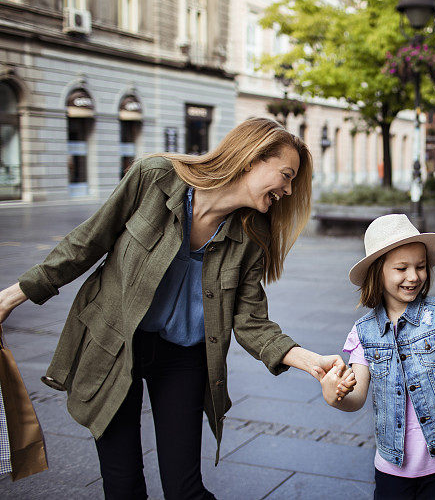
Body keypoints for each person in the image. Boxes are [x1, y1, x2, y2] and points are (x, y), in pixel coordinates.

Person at [0, 118, 350, 499]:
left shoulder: (252, 234)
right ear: (251, 159)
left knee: (185, 490)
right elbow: (87, 242)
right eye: (285, 174)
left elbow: (250, 321)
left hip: (184, 357)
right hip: (115, 346)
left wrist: (312, 362)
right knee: (123, 485)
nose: (287, 189)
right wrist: (9, 298)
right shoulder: (155, 178)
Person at [317, 214, 435, 500]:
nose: (413, 276)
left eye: (420, 267)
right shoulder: (363, 332)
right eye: (401, 268)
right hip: (391, 463)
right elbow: (356, 396)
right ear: (377, 272)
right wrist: (335, 395)